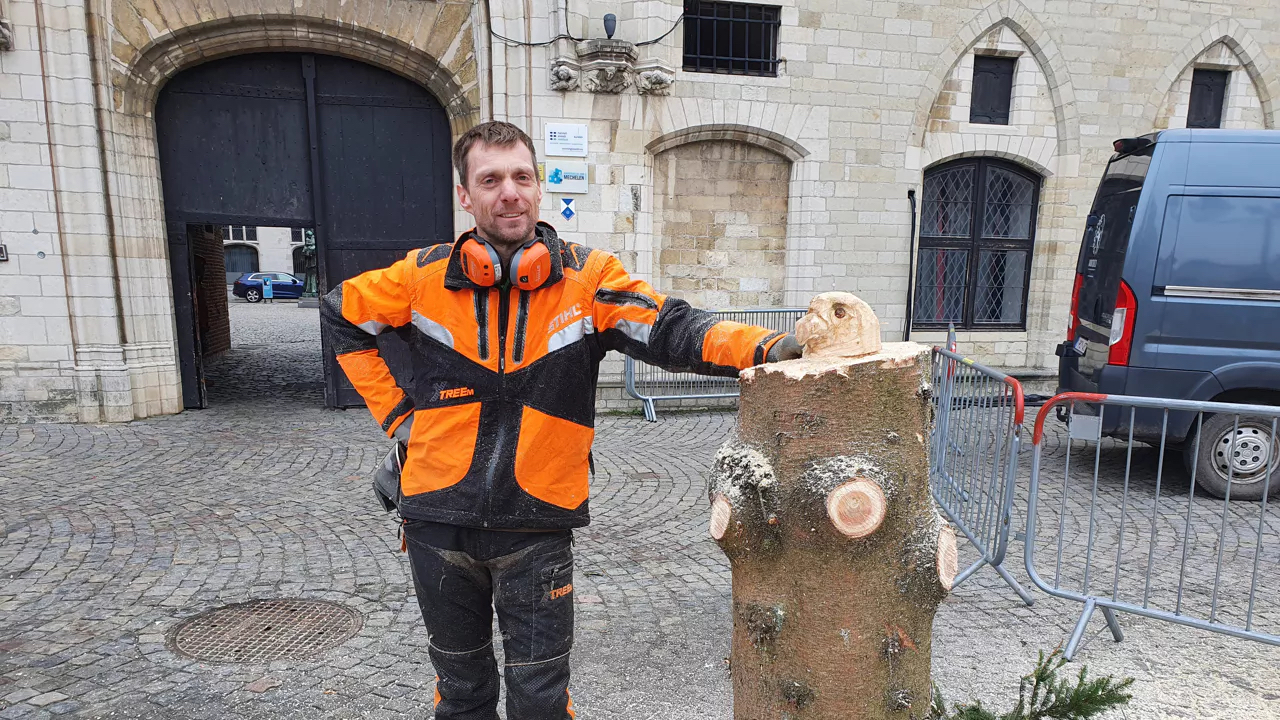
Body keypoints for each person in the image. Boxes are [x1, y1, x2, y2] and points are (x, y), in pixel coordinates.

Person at [320, 121, 801, 720]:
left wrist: (774, 348)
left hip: (537, 529)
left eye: (521, 176)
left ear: (539, 186)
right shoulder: (421, 277)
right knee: (461, 696)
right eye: (489, 179)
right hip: (436, 526)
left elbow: (673, 329)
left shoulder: (587, 278)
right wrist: (398, 417)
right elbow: (342, 313)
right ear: (465, 196)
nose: (509, 192)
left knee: (541, 704)